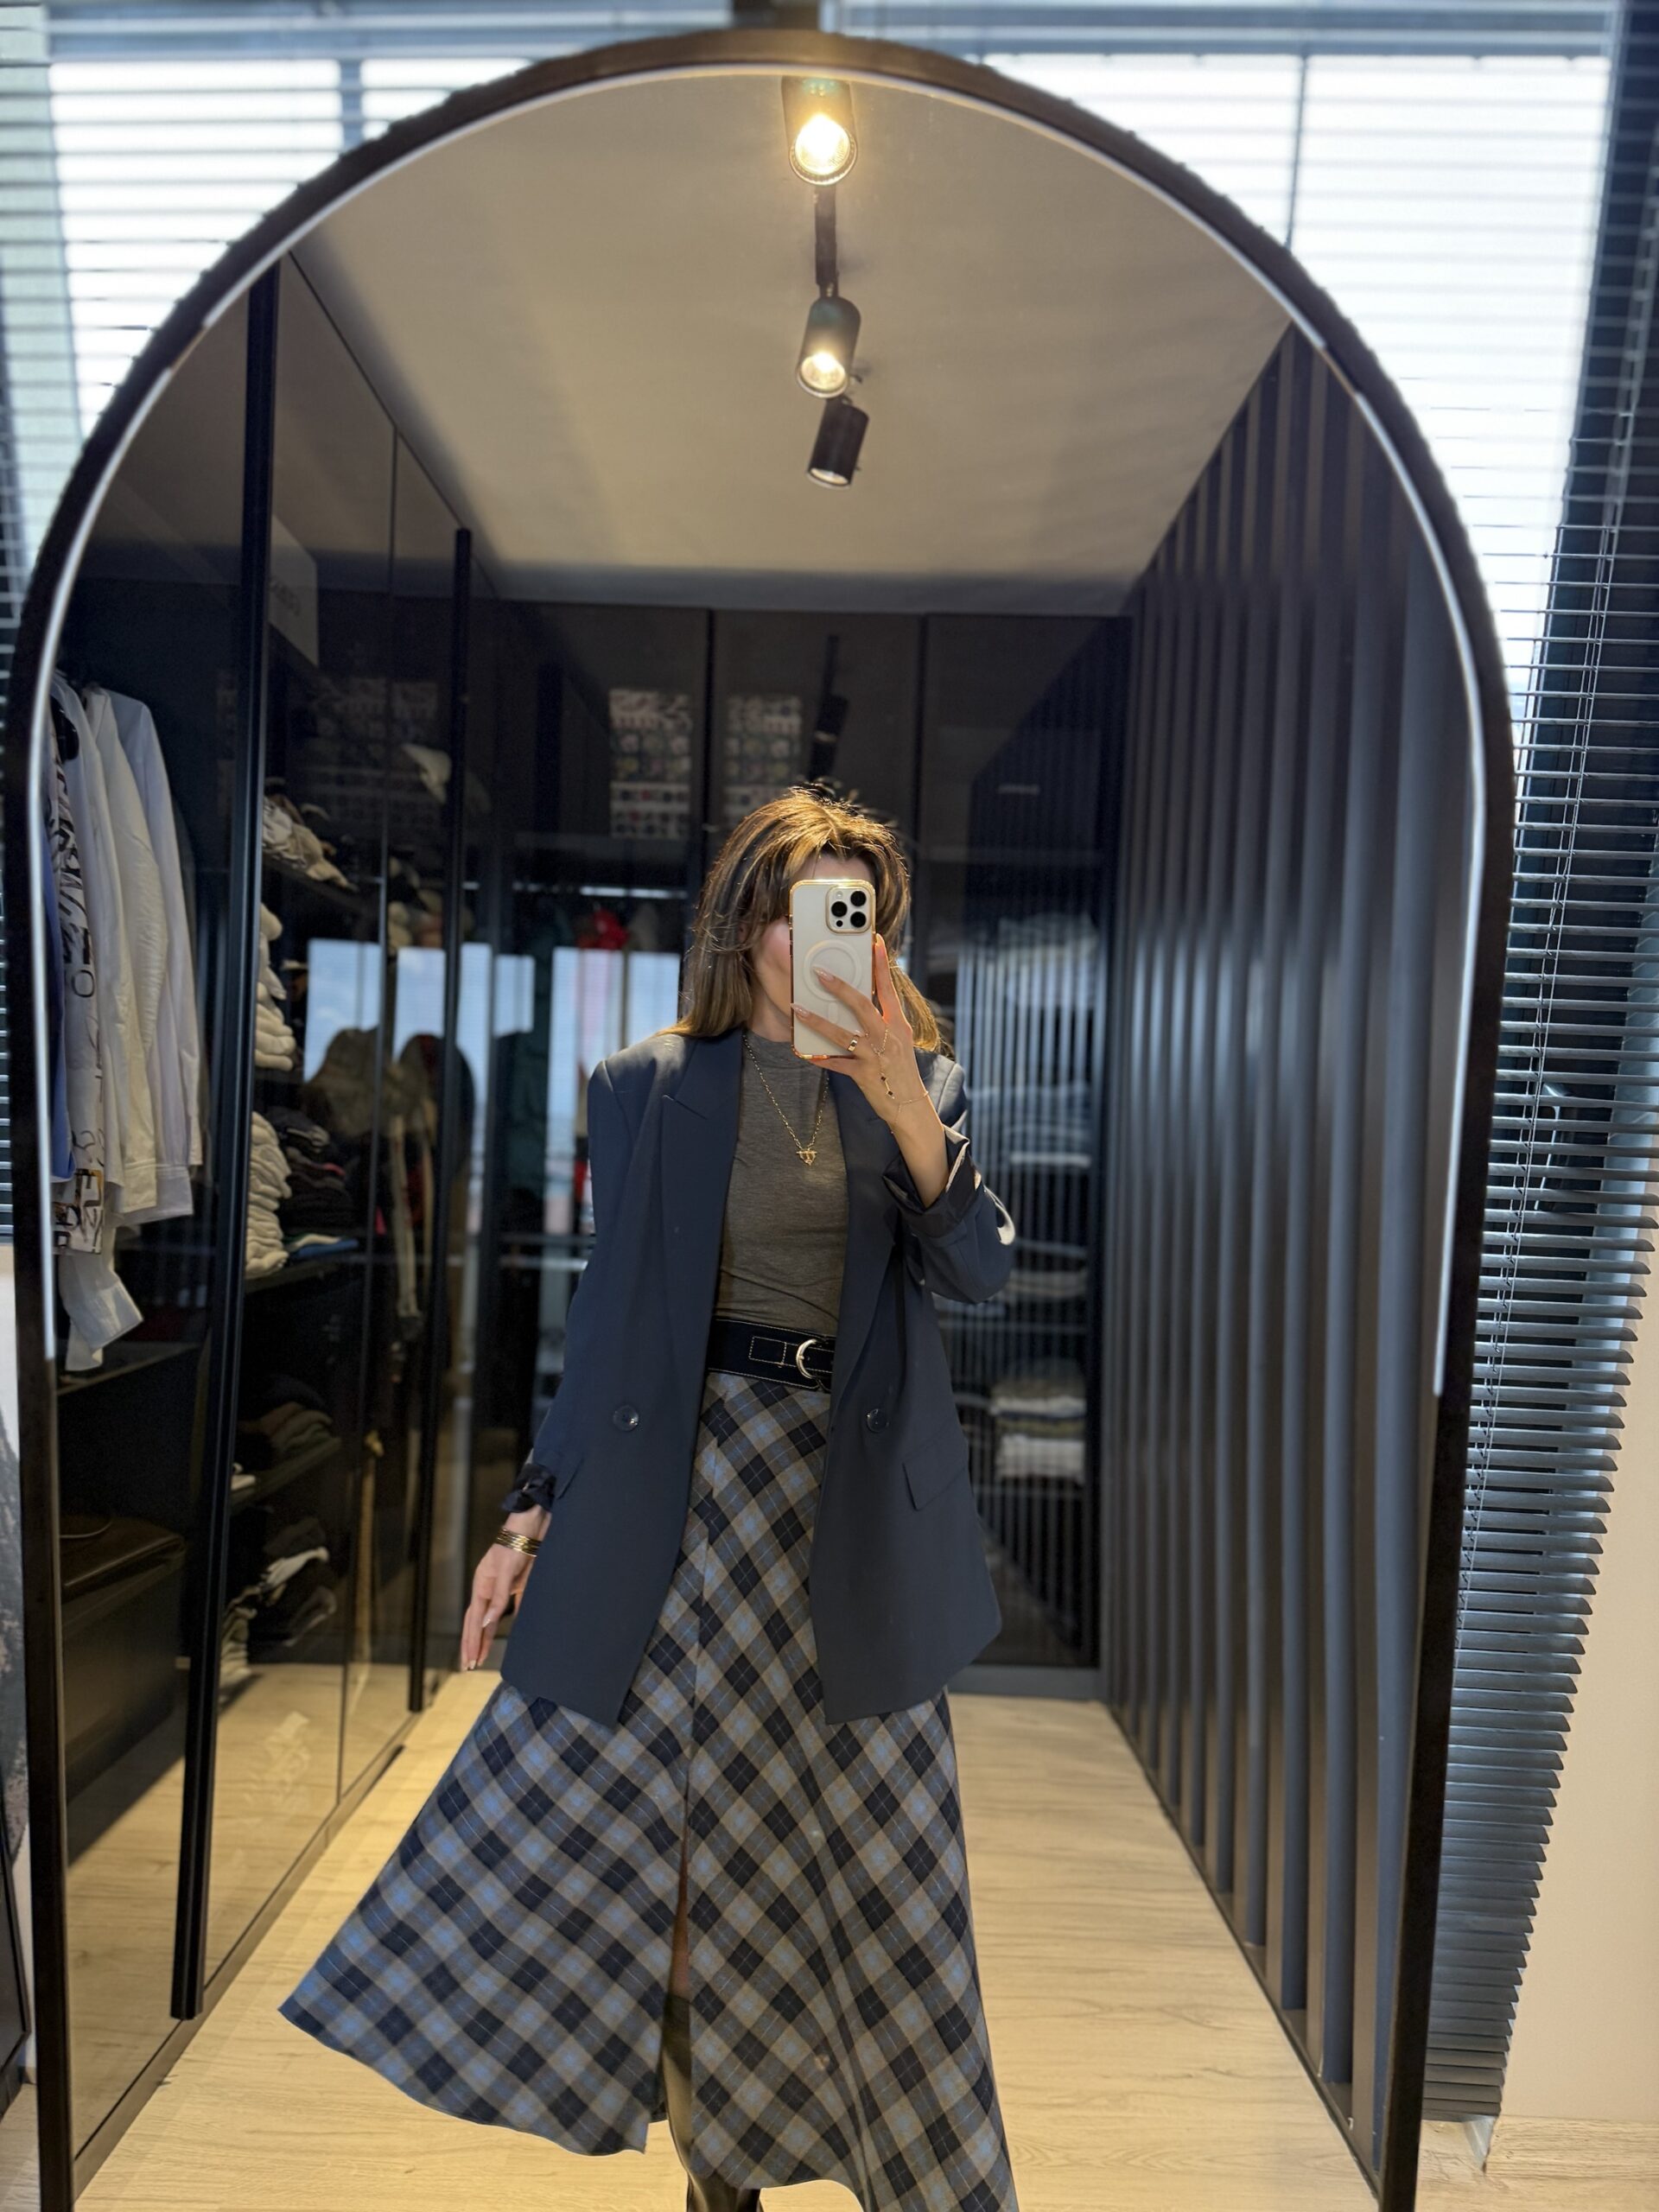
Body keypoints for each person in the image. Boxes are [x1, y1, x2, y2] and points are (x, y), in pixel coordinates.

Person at [277, 789, 1020, 2212]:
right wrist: (527, 1516)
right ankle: (718, 2173)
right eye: (809, 911)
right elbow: (612, 1324)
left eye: (861, 915)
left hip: (852, 1513)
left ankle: (914, 2169)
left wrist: (903, 1102)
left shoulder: (922, 1084)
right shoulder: (646, 1085)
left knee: (884, 1881)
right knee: (677, 1882)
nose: (835, 940)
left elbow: (978, 1268)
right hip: (689, 1500)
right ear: (747, 926)